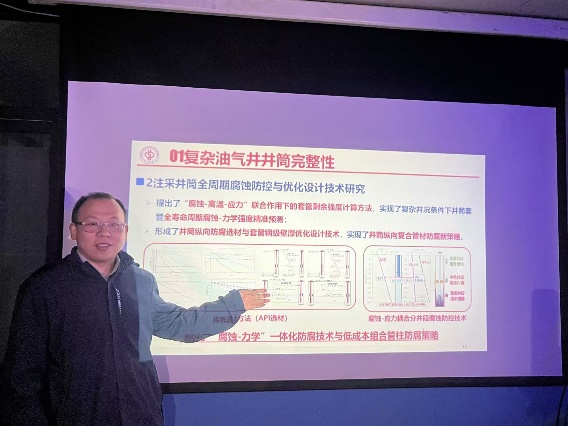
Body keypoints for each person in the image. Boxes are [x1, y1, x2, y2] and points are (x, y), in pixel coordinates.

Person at [3, 192, 269, 425]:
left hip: (139, 414)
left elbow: (178, 324)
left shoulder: (140, 281)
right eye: (92, 224)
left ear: (126, 231)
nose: (104, 232)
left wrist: (233, 305)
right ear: (73, 231)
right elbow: (22, 374)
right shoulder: (45, 287)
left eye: (114, 224)